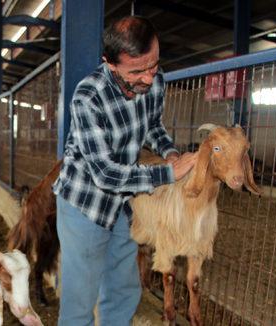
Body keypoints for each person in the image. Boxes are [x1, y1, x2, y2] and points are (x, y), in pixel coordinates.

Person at [52, 16, 197, 325]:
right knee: (79, 300)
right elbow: (104, 174)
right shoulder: (89, 97)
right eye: (137, 71)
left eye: (153, 65)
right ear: (110, 63)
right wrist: (168, 174)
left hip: (123, 202)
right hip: (85, 205)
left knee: (124, 288)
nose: (148, 78)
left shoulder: (156, 81)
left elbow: (152, 126)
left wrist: (169, 152)